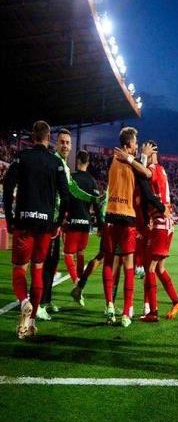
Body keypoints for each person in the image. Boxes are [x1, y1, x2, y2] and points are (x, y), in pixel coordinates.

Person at [2, 120, 69, 338]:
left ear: (32, 137)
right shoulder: (55, 162)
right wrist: (57, 224)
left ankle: (24, 302)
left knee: (19, 268)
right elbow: (65, 196)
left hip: (23, 222)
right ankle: (31, 322)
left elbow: (7, 187)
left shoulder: (22, 157)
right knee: (38, 268)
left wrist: (10, 218)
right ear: (49, 138)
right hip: (45, 225)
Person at [103, 130, 164, 327]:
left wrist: (136, 158)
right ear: (129, 144)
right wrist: (140, 158)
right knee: (128, 264)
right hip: (128, 216)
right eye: (135, 143)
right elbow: (146, 174)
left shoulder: (111, 160)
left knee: (109, 262)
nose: (137, 146)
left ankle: (109, 305)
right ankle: (126, 313)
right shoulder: (133, 163)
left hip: (111, 215)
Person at [38, 129, 100, 321]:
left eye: (67, 142)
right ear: (56, 143)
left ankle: (46, 301)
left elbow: (73, 189)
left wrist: (94, 199)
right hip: (50, 220)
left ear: (71, 146)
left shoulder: (64, 167)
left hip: (58, 222)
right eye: (62, 142)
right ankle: (39, 304)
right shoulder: (53, 163)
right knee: (45, 262)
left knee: (53, 262)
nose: (65, 145)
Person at [140, 140, 178, 322]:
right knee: (159, 268)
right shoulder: (162, 170)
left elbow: (142, 177)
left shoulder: (152, 169)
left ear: (152, 151)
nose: (143, 152)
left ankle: (153, 312)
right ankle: (177, 301)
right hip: (165, 223)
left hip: (160, 222)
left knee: (150, 268)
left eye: (145, 149)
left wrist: (142, 157)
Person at [63, 150, 101, 306]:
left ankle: (76, 281)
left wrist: (63, 217)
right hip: (86, 223)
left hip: (73, 221)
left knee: (67, 253)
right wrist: (100, 224)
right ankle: (80, 286)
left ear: (77, 161)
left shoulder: (71, 178)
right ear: (88, 163)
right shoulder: (92, 181)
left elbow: (65, 199)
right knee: (80, 253)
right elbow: (96, 204)